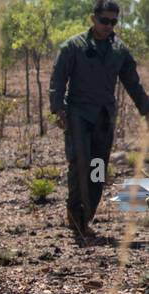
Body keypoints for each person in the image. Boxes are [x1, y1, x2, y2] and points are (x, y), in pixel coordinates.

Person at [49, 0, 149, 244]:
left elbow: (133, 84)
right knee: (79, 164)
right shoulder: (73, 47)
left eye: (113, 22)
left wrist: (146, 110)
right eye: (104, 20)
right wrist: (58, 109)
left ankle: (86, 217)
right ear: (93, 18)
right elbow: (58, 80)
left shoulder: (120, 51)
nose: (108, 26)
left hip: (104, 117)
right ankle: (77, 219)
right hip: (78, 114)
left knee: (97, 169)